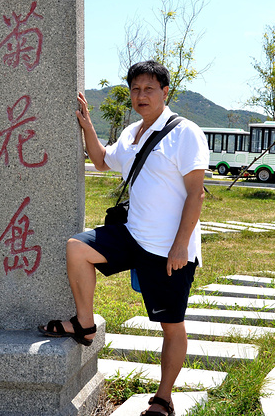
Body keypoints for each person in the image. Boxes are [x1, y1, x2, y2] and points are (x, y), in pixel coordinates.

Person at [39, 60, 209, 416]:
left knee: (171, 325)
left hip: (168, 249)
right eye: (135, 89)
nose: (141, 95)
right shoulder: (132, 133)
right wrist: (87, 126)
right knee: (78, 247)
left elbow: (197, 194)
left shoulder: (185, 133)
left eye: (149, 89)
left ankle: (163, 399)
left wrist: (181, 244)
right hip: (133, 234)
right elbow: (101, 160)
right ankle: (84, 323)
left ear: (165, 92)